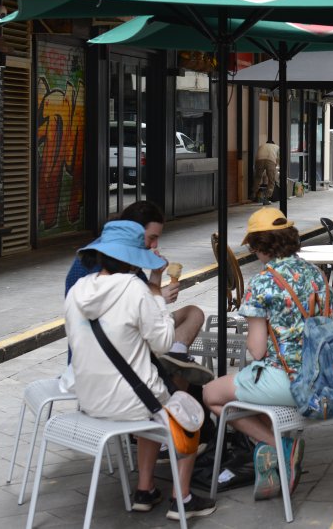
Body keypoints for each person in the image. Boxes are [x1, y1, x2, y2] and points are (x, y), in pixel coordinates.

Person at [65, 220, 216, 520]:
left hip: (89, 400)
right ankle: (183, 499)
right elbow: (164, 342)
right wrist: (156, 291)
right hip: (129, 402)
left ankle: (145, 490)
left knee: (154, 402)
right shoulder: (135, 289)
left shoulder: (78, 290)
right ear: (134, 260)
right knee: (187, 410)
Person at [203, 208, 329, 502]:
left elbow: (257, 350)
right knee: (245, 390)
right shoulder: (318, 274)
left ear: (259, 246)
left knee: (212, 394)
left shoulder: (262, 283)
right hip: (324, 378)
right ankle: (276, 451)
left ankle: (279, 446)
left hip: (289, 381)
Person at [64, 201, 211, 387]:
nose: (154, 245)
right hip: (116, 363)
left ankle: (176, 358)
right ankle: (174, 376)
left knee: (193, 313)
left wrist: (155, 277)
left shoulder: (81, 287)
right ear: (134, 234)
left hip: (88, 377)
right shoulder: (127, 283)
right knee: (179, 381)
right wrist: (157, 297)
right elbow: (160, 339)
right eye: (152, 237)